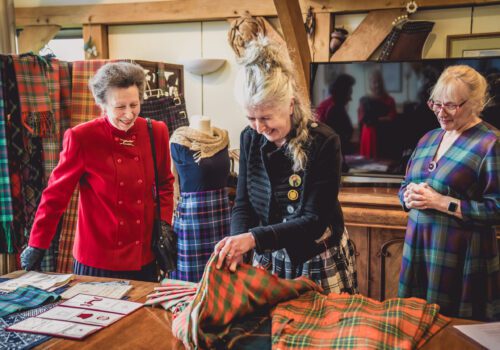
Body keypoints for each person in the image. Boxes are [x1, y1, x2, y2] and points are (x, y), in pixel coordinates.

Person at [214, 36, 358, 294]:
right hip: (268, 256)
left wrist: (252, 239)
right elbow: (244, 204)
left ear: (290, 105)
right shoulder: (250, 138)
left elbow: (313, 219)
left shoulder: (324, 142)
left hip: (315, 258)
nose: (259, 127)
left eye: (266, 117)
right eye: (251, 117)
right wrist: (237, 243)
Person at [20, 62, 175, 282]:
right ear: (102, 105)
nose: (129, 114)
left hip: (144, 256)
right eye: (120, 107)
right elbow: (56, 195)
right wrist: (37, 243)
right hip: (97, 260)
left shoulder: (156, 132)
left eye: (134, 104)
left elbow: (165, 185)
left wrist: (164, 224)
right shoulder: (82, 137)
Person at [399, 65, 499, 321]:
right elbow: (405, 185)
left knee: (455, 333)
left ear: (475, 103)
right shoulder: (428, 138)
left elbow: (496, 209)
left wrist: (444, 203)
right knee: (415, 326)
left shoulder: (490, 143)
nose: (441, 113)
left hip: (460, 258)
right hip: (419, 250)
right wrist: (407, 197)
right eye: (436, 104)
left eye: (451, 106)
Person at [169, 115, 231, 282]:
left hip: (222, 215)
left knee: (222, 275)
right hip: (193, 220)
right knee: (192, 279)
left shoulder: (222, 139)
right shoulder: (180, 142)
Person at [358, 69, 397, 159]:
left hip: (385, 134)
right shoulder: (364, 100)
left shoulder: (389, 99)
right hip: (368, 135)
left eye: (379, 81)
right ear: (370, 84)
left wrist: (376, 120)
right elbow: (362, 118)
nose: (377, 85)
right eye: (374, 82)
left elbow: (392, 117)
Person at [323, 74, 356, 170]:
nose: (350, 98)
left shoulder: (334, 106)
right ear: (343, 92)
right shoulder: (333, 109)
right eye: (349, 94)